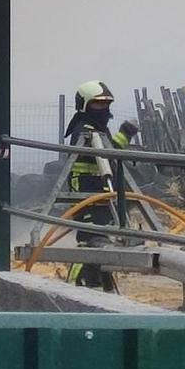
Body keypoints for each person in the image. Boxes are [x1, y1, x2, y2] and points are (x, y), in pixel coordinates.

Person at [62, 80, 133, 290]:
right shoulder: (83, 130)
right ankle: (78, 284)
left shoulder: (99, 129)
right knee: (89, 239)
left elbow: (110, 153)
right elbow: (101, 155)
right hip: (85, 193)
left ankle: (99, 283)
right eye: (97, 104)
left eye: (105, 104)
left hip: (100, 192)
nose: (103, 109)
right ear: (84, 105)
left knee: (99, 237)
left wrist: (125, 135)